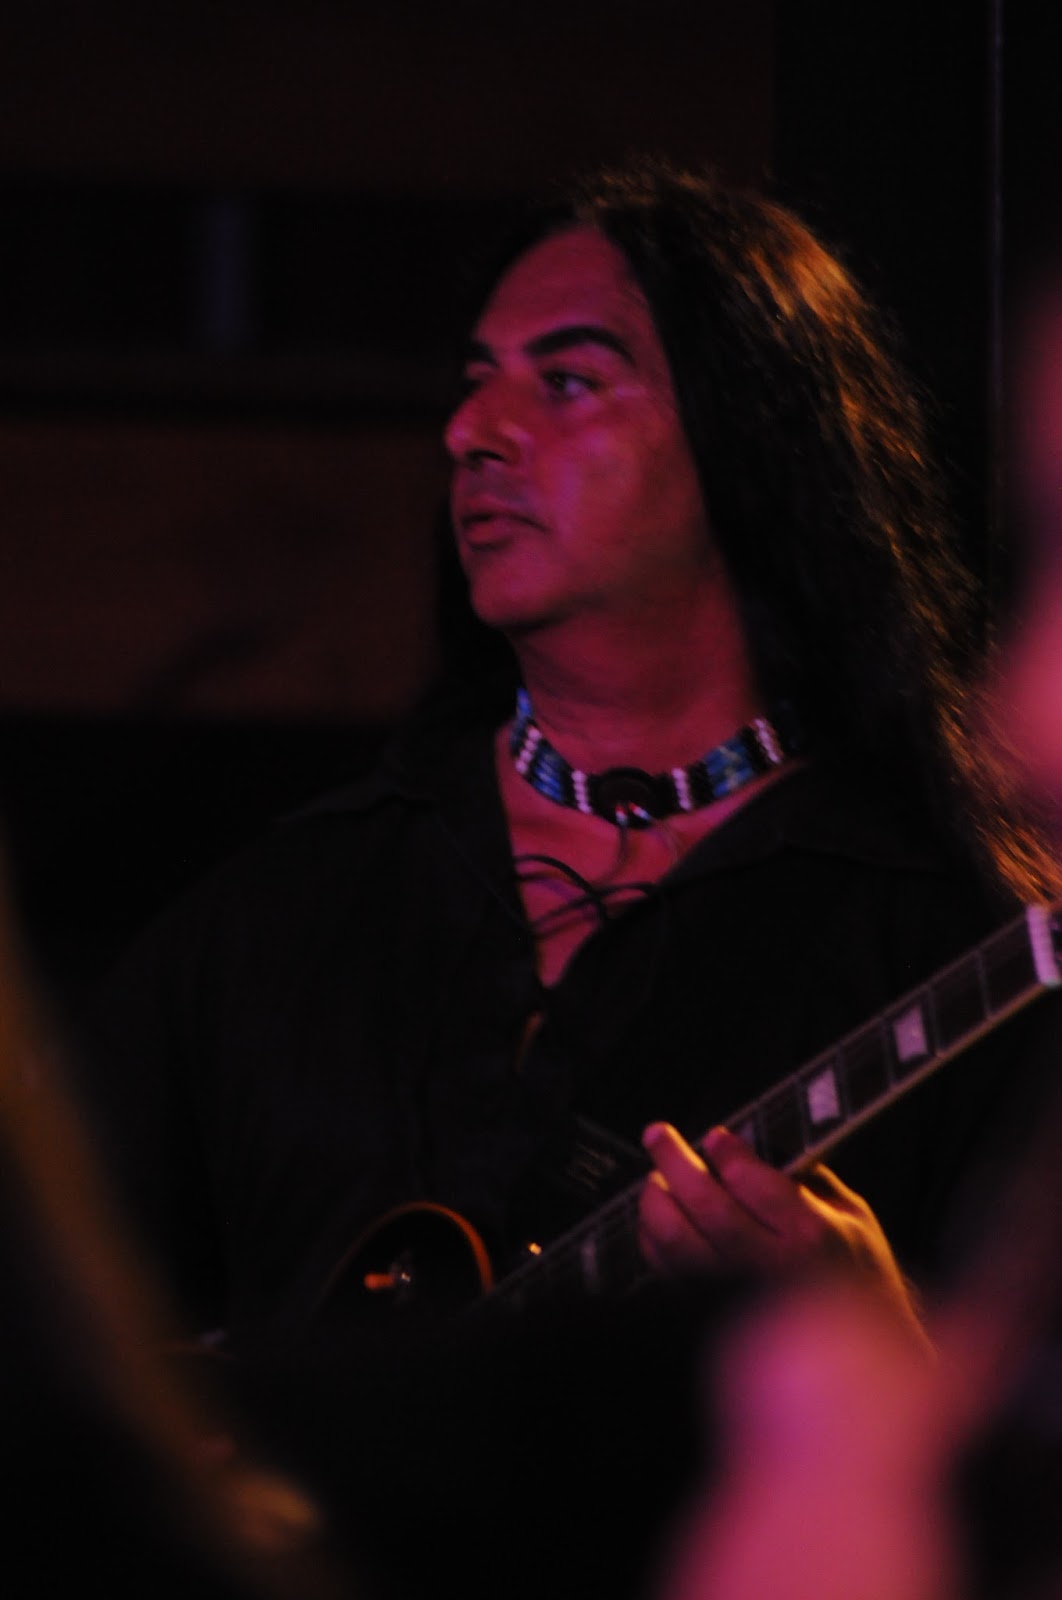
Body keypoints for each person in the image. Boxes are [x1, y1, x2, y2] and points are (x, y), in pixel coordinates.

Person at [78, 160, 1056, 1376]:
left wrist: (871, 1322)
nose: (471, 432)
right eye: (475, 380)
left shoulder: (949, 938)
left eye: (568, 381)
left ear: (748, 437)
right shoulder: (283, 917)